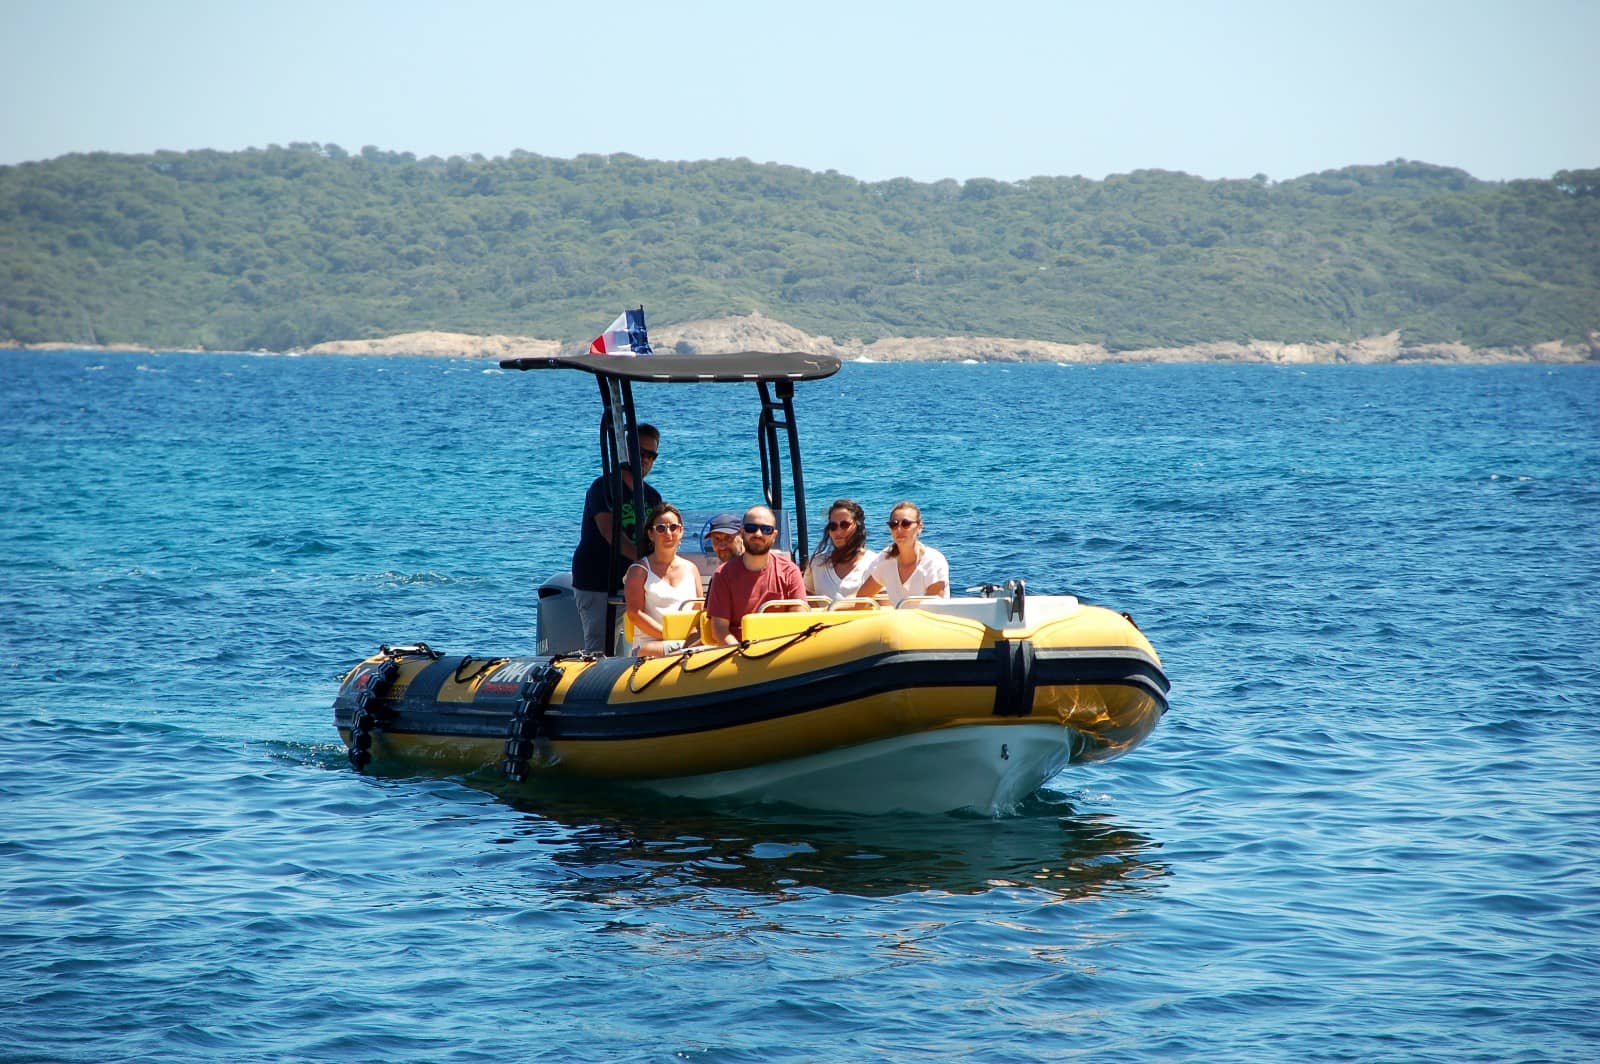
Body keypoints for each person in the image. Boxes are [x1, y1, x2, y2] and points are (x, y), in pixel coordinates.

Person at [571, 424, 662, 653]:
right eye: (640, 452)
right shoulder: (603, 487)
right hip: (598, 580)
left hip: (634, 582)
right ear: (627, 452)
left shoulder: (652, 496)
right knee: (600, 648)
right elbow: (609, 531)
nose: (645, 459)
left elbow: (658, 537)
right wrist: (645, 563)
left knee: (636, 646)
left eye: (651, 455)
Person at [706, 504, 807, 645]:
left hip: (781, 652)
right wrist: (741, 654)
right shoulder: (723, 574)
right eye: (751, 528)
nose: (758, 534)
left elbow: (798, 622)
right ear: (742, 532)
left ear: (774, 535)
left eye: (766, 529)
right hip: (738, 653)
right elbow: (719, 629)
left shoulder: (790, 572)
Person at [622, 503, 703, 657]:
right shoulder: (638, 571)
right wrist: (669, 636)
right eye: (661, 528)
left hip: (687, 644)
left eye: (673, 527)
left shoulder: (691, 569)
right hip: (650, 646)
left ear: (681, 532)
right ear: (651, 534)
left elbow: (699, 611)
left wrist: (689, 639)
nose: (668, 533)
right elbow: (634, 613)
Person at [860, 500, 949, 606]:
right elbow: (862, 599)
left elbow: (935, 610)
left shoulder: (933, 561)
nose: (899, 529)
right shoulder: (885, 559)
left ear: (919, 527)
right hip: (899, 621)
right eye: (894, 524)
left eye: (906, 524)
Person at [804, 499, 876, 602]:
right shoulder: (817, 564)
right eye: (833, 526)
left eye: (844, 525)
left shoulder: (873, 563)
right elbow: (807, 597)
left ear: (857, 526)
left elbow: (884, 604)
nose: (838, 532)